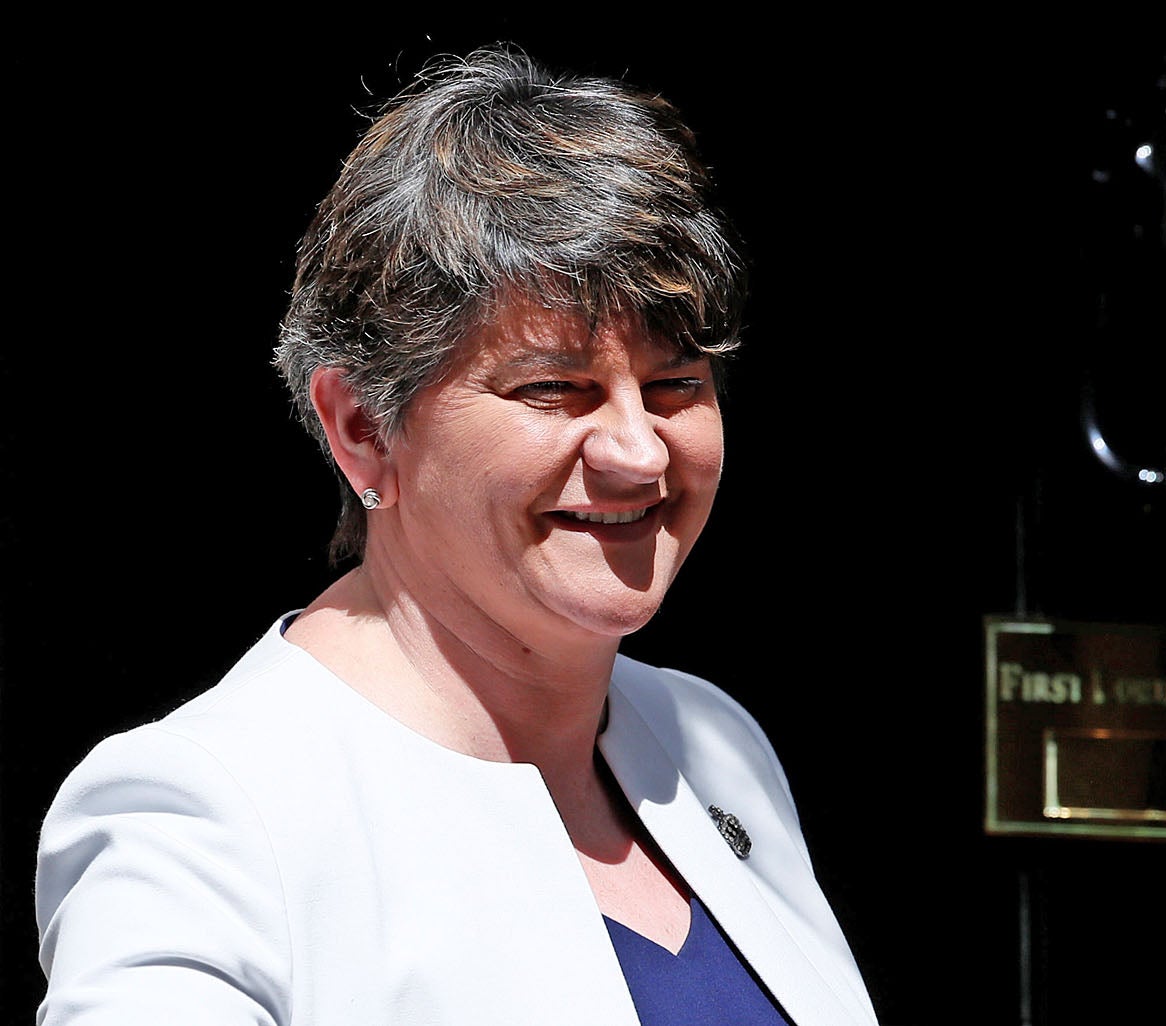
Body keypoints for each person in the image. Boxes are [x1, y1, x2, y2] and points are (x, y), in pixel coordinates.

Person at [34, 46, 878, 1025]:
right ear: (362, 429)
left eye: (676, 386)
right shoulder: (206, 815)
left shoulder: (717, 745)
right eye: (554, 388)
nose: (639, 454)